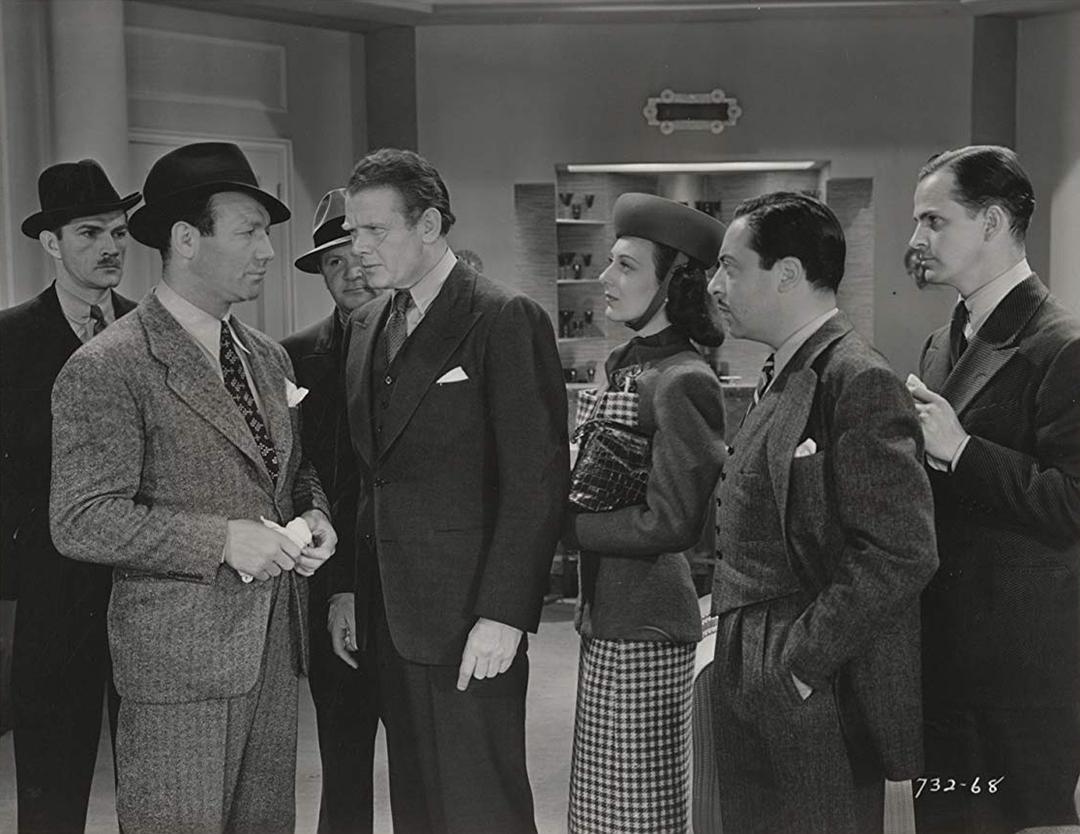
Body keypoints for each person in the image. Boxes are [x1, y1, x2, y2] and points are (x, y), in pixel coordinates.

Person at [48, 142, 338, 834]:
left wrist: (315, 512)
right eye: (249, 232)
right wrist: (220, 541)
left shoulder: (267, 356)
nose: (267, 251)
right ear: (185, 239)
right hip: (177, 671)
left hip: (272, 654)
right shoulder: (109, 365)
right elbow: (81, 518)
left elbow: (291, 468)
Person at [328, 148, 568, 834]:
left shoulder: (503, 317)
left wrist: (504, 615)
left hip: (470, 620)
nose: (358, 248)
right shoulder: (365, 325)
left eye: (376, 230)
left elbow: (536, 480)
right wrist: (346, 589)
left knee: (482, 808)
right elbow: (366, 476)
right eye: (353, 231)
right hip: (387, 618)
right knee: (418, 810)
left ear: (429, 225)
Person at [706, 191, 938, 834]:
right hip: (752, 657)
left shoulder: (857, 378)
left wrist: (802, 664)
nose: (716, 285)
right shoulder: (785, 369)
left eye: (731, 267)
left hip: (813, 676)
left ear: (786, 274)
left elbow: (902, 549)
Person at [906, 145, 1080, 834]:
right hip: (944, 660)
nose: (917, 239)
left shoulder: (1063, 345)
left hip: (1022, 676)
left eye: (934, 220)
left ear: (993, 222)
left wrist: (963, 452)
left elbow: (1073, 502)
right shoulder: (937, 344)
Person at [560, 193, 727, 834]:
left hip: (648, 624)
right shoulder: (628, 364)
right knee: (600, 813)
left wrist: (571, 526)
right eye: (609, 261)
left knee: (637, 817)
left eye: (626, 265)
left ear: (673, 284)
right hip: (610, 615)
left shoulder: (684, 378)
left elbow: (672, 522)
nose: (606, 277)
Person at [0, 159, 139, 834]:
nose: (111, 246)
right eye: (90, 233)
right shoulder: (7, 340)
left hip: (144, 590)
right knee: (51, 795)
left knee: (160, 785)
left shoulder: (152, 332)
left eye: (119, 232)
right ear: (52, 243)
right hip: (51, 596)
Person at [282, 187, 384, 834]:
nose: (350, 273)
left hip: (412, 586)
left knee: (428, 764)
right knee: (343, 758)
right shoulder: (292, 357)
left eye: (358, 256)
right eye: (333, 262)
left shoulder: (424, 346)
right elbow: (294, 474)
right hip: (328, 581)